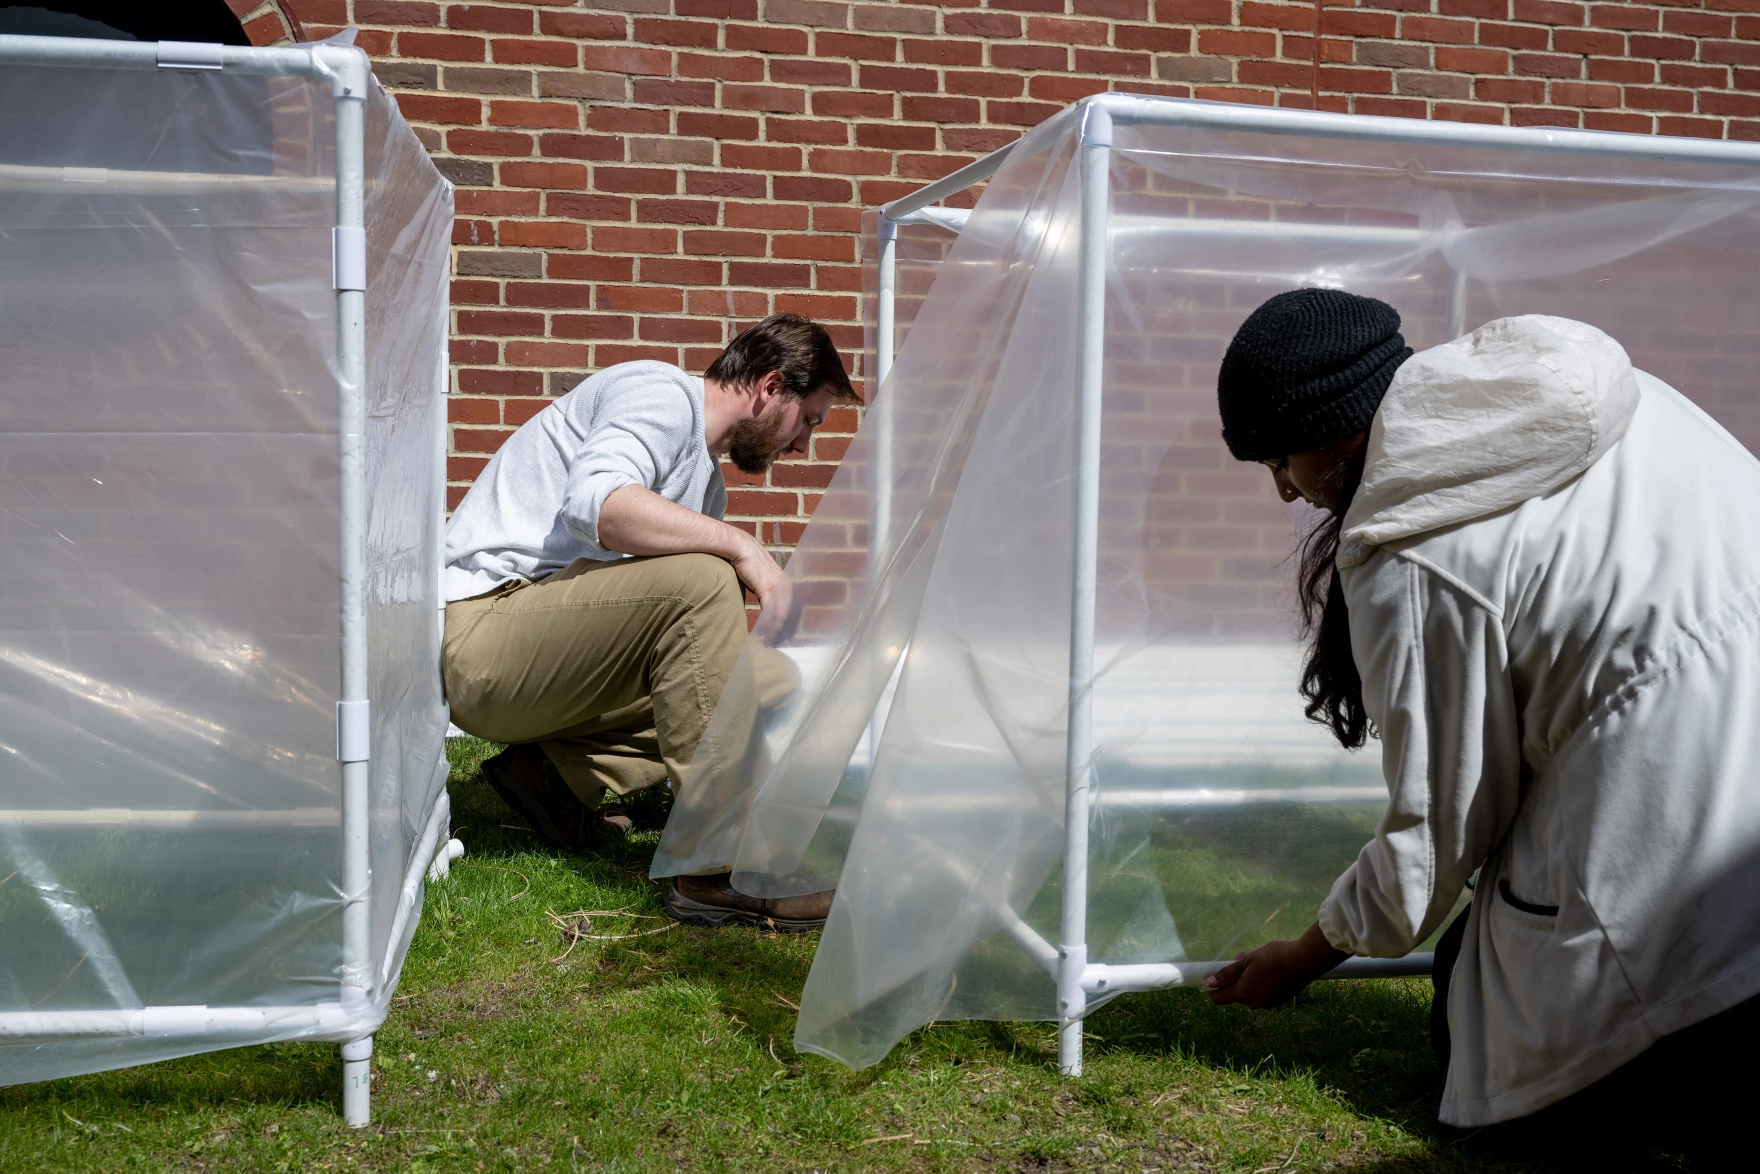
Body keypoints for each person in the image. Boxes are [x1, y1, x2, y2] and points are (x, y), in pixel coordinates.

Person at [1199, 289, 1760, 1156]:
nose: (1283, 492)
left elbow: (1441, 827)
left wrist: (1306, 954)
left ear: (1338, 432)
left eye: (1279, 459)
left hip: (1678, 839)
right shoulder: (1613, 394)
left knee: (1480, 1024)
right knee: (1484, 954)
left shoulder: (1418, 550)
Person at [441, 313, 856, 931]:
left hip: (542, 657)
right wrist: (742, 547)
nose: (802, 446)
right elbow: (598, 506)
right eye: (809, 422)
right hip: (480, 632)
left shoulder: (704, 486)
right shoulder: (661, 393)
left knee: (766, 682)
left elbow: (676, 650)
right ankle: (721, 866)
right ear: (771, 387)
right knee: (703, 577)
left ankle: (552, 775)